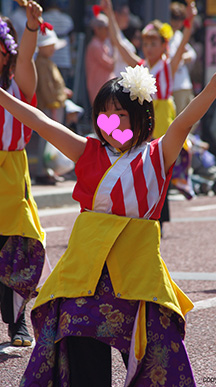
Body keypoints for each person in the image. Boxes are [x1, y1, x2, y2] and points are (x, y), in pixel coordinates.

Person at [0, 55, 216, 385]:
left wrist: (214, 86)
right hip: (86, 277)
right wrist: (2, 95)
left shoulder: (157, 155)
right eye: (105, 114)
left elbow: (183, 123)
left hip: (138, 277)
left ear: (142, 116)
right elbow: (41, 123)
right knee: (81, 352)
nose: (112, 121)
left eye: (122, 114)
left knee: (154, 361)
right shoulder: (88, 150)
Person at [101, 0, 197, 228]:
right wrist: (109, 14)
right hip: (144, 125)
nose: (149, 47)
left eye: (154, 42)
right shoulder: (140, 66)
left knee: (160, 173)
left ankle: (159, 218)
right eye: (146, 42)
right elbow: (119, 44)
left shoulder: (168, 66)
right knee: (147, 172)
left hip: (163, 124)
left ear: (164, 45)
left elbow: (184, 38)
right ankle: (145, 215)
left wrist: (190, 19)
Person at [0, 1, 51, 348]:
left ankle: (18, 322)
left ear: (6, 53)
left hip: (12, 175)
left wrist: (31, 28)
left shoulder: (18, 88)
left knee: (20, 247)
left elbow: (27, 61)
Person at [35, 27, 73, 184]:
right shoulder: (42, 64)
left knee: (50, 141)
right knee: (46, 141)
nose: (53, 48)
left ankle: (49, 170)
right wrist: (60, 97)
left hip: (53, 106)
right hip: (50, 107)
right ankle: (43, 171)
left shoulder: (46, 62)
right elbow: (47, 89)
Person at [169, 1, 197, 115]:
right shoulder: (165, 36)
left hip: (185, 83)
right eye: (175, 19)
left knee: (193, 118)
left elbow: (192, 54)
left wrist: (183, 57)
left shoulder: (179, 35)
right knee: (179, 118)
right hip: (174, 86)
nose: (177, 23)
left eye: (180, 19)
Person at [85, 13, 115, 106]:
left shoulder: (102, 44)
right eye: (105, 28)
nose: (107, 31)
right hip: (99, 88)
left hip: (104, 88)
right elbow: (110, 65)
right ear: (97, 29)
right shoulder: (95, 46)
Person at [42, 1, 74, 86]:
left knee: (49, 88)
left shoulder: (43, 17)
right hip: (64, 60)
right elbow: (72, 39)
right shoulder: (67, 19)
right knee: (62, 88)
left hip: (48, 59)